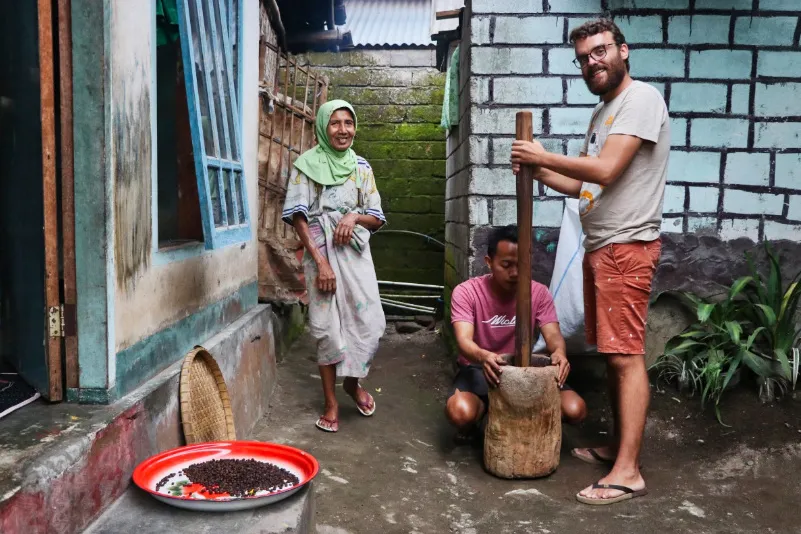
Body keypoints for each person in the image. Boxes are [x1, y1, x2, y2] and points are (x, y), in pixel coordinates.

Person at [509, 19, 669, 505]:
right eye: (582, 57)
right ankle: (620, 449)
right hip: (602, 244)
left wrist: (544, 154)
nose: (591, 62)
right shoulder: (603, 114)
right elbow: (586, 186)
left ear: (623, 50)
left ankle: (628, 472)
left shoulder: (641, 100)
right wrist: (537, 168)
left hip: (627, 246)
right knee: (613, 353)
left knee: (625, 357)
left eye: (600, 51)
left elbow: (604, 168)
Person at [282, 99, 387, 433]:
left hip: (355, 254)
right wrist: (321, 263)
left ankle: (352, 384)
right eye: (335, 123)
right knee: (327, 330)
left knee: (369, 323)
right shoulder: (306, 165)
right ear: (324, 127)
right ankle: (330, 402)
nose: (343, 130)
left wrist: (354, 215)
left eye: (348, 123)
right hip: (320, 251)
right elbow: (298, 218)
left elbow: (377, 217)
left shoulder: (362, 168)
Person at [446, 225, 587, 441]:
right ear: (488, 262)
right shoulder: (467, 292)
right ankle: (487, 414)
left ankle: (518, 420)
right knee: (460, 412)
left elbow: (553, 336)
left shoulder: (538, 293)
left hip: (524, 372)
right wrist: (484, 357)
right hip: (480, 369)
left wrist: (559, 353)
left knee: (575, 409)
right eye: (506, 265)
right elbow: (464, 340)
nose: (514, 273)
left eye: (521, 265)